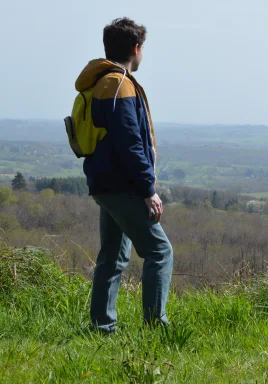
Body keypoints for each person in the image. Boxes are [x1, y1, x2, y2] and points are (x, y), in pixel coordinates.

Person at [75, 17, 173, 333]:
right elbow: (129, 142)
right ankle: (155, 327)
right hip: (122, 186)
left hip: (107, 183)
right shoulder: (119, 84)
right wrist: (148, 188)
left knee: (113, 257)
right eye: (143, 48)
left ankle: (102, 328)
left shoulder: (105, 81)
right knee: (159, 252)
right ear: (135, 48)